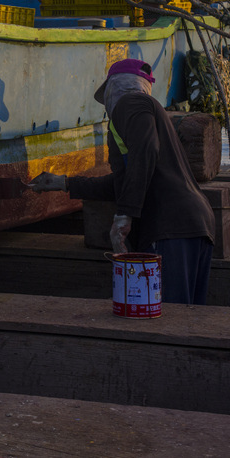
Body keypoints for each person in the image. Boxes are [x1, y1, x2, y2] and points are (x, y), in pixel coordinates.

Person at [30, 58, 215, 305]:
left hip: (171, 228)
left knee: (170, 317)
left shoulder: (131, 101)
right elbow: (125, 181)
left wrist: (124, 215)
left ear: (114, 87)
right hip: (195, 224)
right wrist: (65, 183)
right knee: (188, 317)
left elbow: (146, 151)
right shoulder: (147, 112)